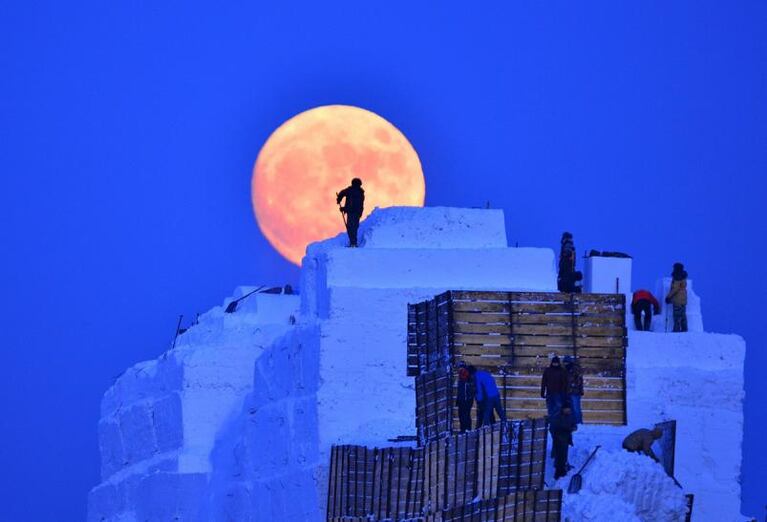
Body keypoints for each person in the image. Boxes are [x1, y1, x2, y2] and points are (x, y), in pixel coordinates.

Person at [549, 401, 577, 479]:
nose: (568, 411)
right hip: (559, 439)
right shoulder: (559, 417)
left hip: (566, 439)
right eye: (567, 409)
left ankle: (562, 469)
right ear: (563, 409)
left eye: (569, 410)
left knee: (563, 455)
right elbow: (558, 427)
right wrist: (570, 428)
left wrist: (573, 428)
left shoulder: (570, 416)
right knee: (560, 456)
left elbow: (573, 425)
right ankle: (559, 472)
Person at [336, 178, 365, 247]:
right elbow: (360, 204)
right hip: (356, 212)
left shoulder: (350, 190)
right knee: (354, 227)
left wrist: (339, 200)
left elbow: (342, 193)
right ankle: (353, 242)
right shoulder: (361, 192)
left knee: (350, 227)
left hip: (352, 212)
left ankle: (353, 243)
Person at [665, 263, 688, 333]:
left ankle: (676, 329)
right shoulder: (683, 277)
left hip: (677, 299)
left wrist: (668, 297)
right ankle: (684, 329)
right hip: (684, 299)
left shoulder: (677, 277)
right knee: (683, 315)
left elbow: (675, 289)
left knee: (677, 315)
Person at [563, 356, 584, 424]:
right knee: (571, 408)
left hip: (575, 392)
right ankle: (572, 422)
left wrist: (574, 385)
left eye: (566, 362)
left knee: (576, 408)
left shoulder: (575, 369)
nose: (565, 364)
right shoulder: (565, 370)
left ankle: (578, 422)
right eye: (564, 362)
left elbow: (579, 380)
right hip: (568, 391)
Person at [455, 366, 475, 432]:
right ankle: (463, 429)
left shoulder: (466, 379)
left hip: (466, 401)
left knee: (465, 416)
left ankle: (466, 429)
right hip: (463, 401)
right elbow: (460, 391)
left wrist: (466, 400)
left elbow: (466, 391)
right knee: (462, 416)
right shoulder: (461, 379)